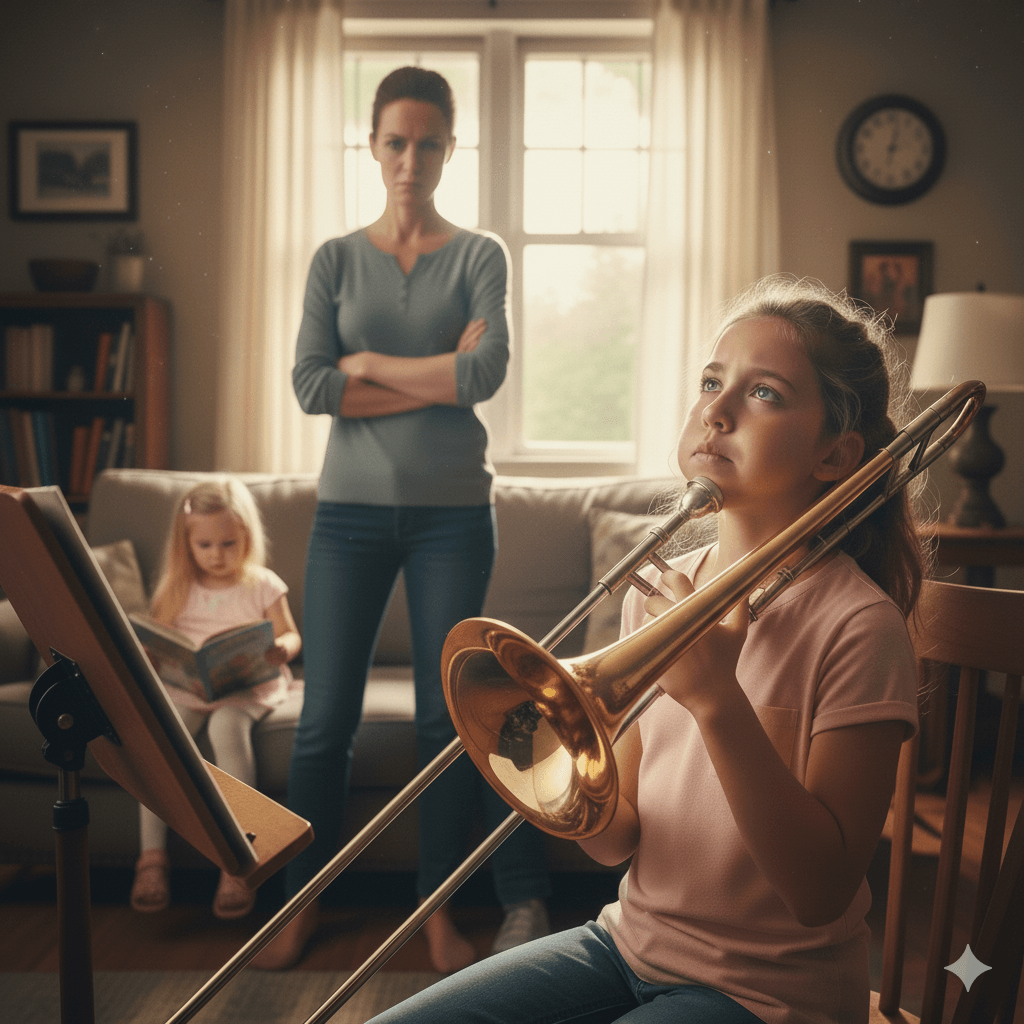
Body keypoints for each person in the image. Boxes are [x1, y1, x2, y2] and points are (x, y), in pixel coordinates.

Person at [363, 276, 927, 1024]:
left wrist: (719, 704)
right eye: (710, 381)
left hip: (771, 997)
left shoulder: (859, 623)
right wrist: (540, 769)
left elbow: (820, 891)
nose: (716, 412)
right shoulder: (656, 595)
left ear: (836, 454)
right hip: (626, 948)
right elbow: (619, 837)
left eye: (764, 394)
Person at [253, 66, 550, 972]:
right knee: (322, 722)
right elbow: (311, 386)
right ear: (373, 145)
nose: (409, 158)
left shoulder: (480, 254)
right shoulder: (336, 259)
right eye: (394, 140)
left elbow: (483, 375)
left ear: (449, 149)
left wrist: (371, 363)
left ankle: (437, 915)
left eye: (427, 142)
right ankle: (295, 907)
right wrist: (427, 377)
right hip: (346, 518)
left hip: (454, 518)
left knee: (442, 721)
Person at [129, 477, 302, 920]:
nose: (218, 555)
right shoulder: (175, 586)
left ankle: (239, 859)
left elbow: (289, 634)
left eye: (228, 543)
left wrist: (282, 648)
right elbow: (158, 638)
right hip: (187, 688)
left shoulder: (261, 584)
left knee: (227, 728)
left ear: (247, 535)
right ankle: (152, 858)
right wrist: (152, 655)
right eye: (205, 545)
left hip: (247, 688)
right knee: (163, 737)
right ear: (186, 544)